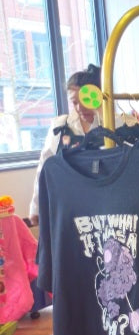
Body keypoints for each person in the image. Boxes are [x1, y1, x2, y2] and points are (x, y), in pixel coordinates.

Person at [27, 64, 102, 226]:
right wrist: (36, 206)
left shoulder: (112, 124)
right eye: (74, 102)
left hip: (103, 205)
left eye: (85, 101)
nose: (80, 108)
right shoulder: (60, 126)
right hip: (68, 206)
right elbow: (44, 167)